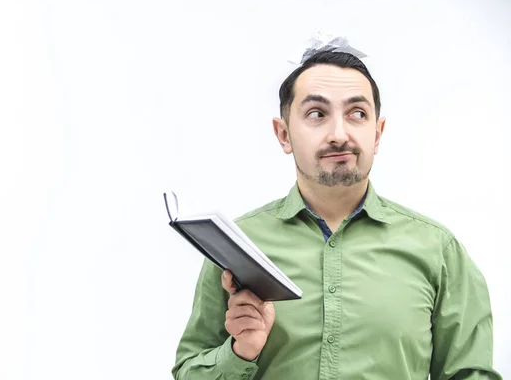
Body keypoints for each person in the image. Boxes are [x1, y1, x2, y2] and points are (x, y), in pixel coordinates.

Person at [170, 34, 502, 380]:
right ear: (283, 134)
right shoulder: (237, 247)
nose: (339, 134)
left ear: (377, 133)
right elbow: (188, 372)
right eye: (317, 113)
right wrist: (239, 352)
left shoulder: (439, 251)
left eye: (357, 113)